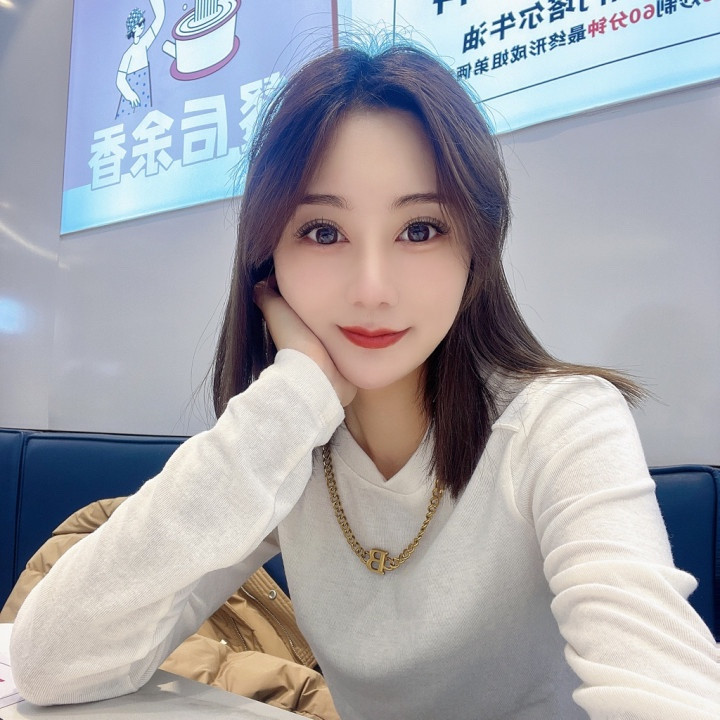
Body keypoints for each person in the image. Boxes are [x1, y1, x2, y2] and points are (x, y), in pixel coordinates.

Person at [10, 43, 720, 719]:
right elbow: (49, 661)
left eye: (420, 229)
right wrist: (294, 396)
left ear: (477, 247)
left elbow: (661, 686)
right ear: (268, 261)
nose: (373, 289)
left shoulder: (563, 426)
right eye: (323, 231)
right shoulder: (289, 441)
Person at [115, 1, 165, 118]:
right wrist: (130, 95)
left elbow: (159, 19)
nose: (142, 25)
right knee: (129, 120)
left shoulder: (144, 43)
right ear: (133, 28)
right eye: (139, 23)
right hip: (131, 97)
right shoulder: (128, 54)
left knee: (146, 116)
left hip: (144, 89)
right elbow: (120, 80)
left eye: (143, 22)